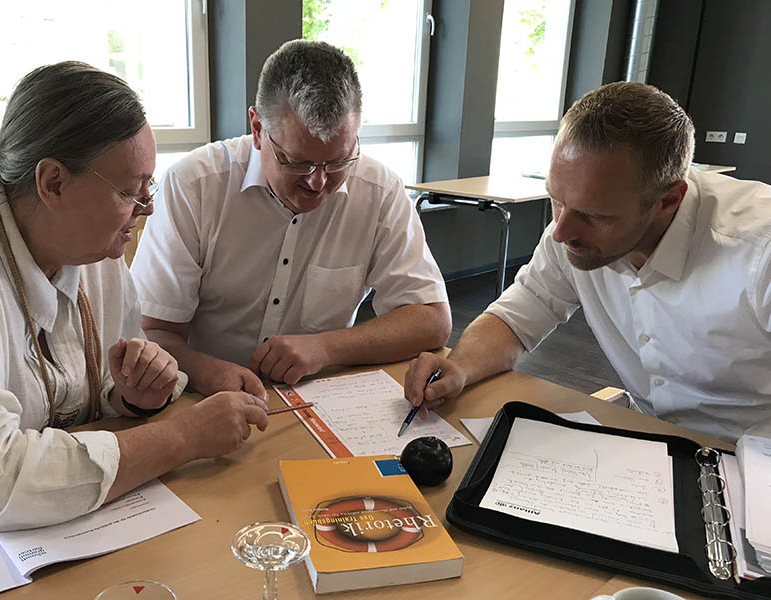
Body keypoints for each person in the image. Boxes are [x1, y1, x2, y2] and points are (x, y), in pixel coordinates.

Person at [0, 62, 269, 532]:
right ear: (53, 182)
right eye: (129, 191)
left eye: (148, 186)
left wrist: (131, 395)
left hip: (44, 497)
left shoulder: (92, 247)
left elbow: (76, 393)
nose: (147, 209)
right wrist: (182, 437)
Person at [404, 81, 771, 443]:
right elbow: (523, 310)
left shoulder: (759, 252)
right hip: (651, 441)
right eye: (556, 200)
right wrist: (460, 366)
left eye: (593, 215)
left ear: (668, 200)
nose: (561, 232)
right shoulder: (572, 229)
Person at [130, 40, 451, 399]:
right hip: (205, 399)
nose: (318, 182)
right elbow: (152, 331)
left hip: (320, 398)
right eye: (297, 162)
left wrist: (326, 348)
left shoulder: (378, 189)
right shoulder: (195, 185)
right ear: (256, 129)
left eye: (338, 162)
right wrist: (209, 374)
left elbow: (431, 320)